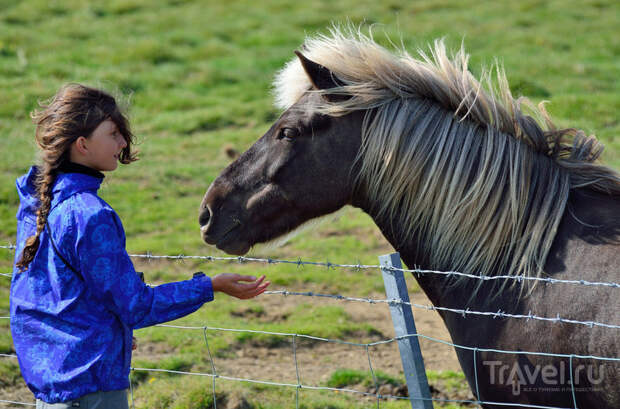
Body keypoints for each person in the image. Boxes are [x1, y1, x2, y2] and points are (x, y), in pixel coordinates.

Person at [10, 83, 270, 409]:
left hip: (51, 388)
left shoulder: (37, 202)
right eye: (113, 133)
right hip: (93, 390)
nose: (122, 142)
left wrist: (112, 332)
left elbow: (52, 297)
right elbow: (136, 306)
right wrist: (210, 286)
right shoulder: (90, 216)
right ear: (82, 144)